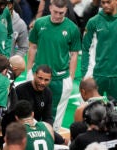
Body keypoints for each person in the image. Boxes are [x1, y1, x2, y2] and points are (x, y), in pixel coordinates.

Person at [27, 0, 81, 131]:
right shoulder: (39, 23)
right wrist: (29, 70)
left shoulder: (73, 28)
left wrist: (71, 78)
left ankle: (52, 139)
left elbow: (74, 55)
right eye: (55, 12)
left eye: (61, 13)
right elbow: (33, 47)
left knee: (55, 116)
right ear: (50, 8)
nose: (57, 15)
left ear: (66, 11)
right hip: (36, 75)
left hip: (60, 79)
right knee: (30, 110)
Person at [81, 0, 117, 105]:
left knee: (116, 112)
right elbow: (85, 48)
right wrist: (84, 73)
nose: (105, 5)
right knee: (92, 112)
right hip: (96, 75)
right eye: (103, 2)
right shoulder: (93, 22)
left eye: (108, 2)